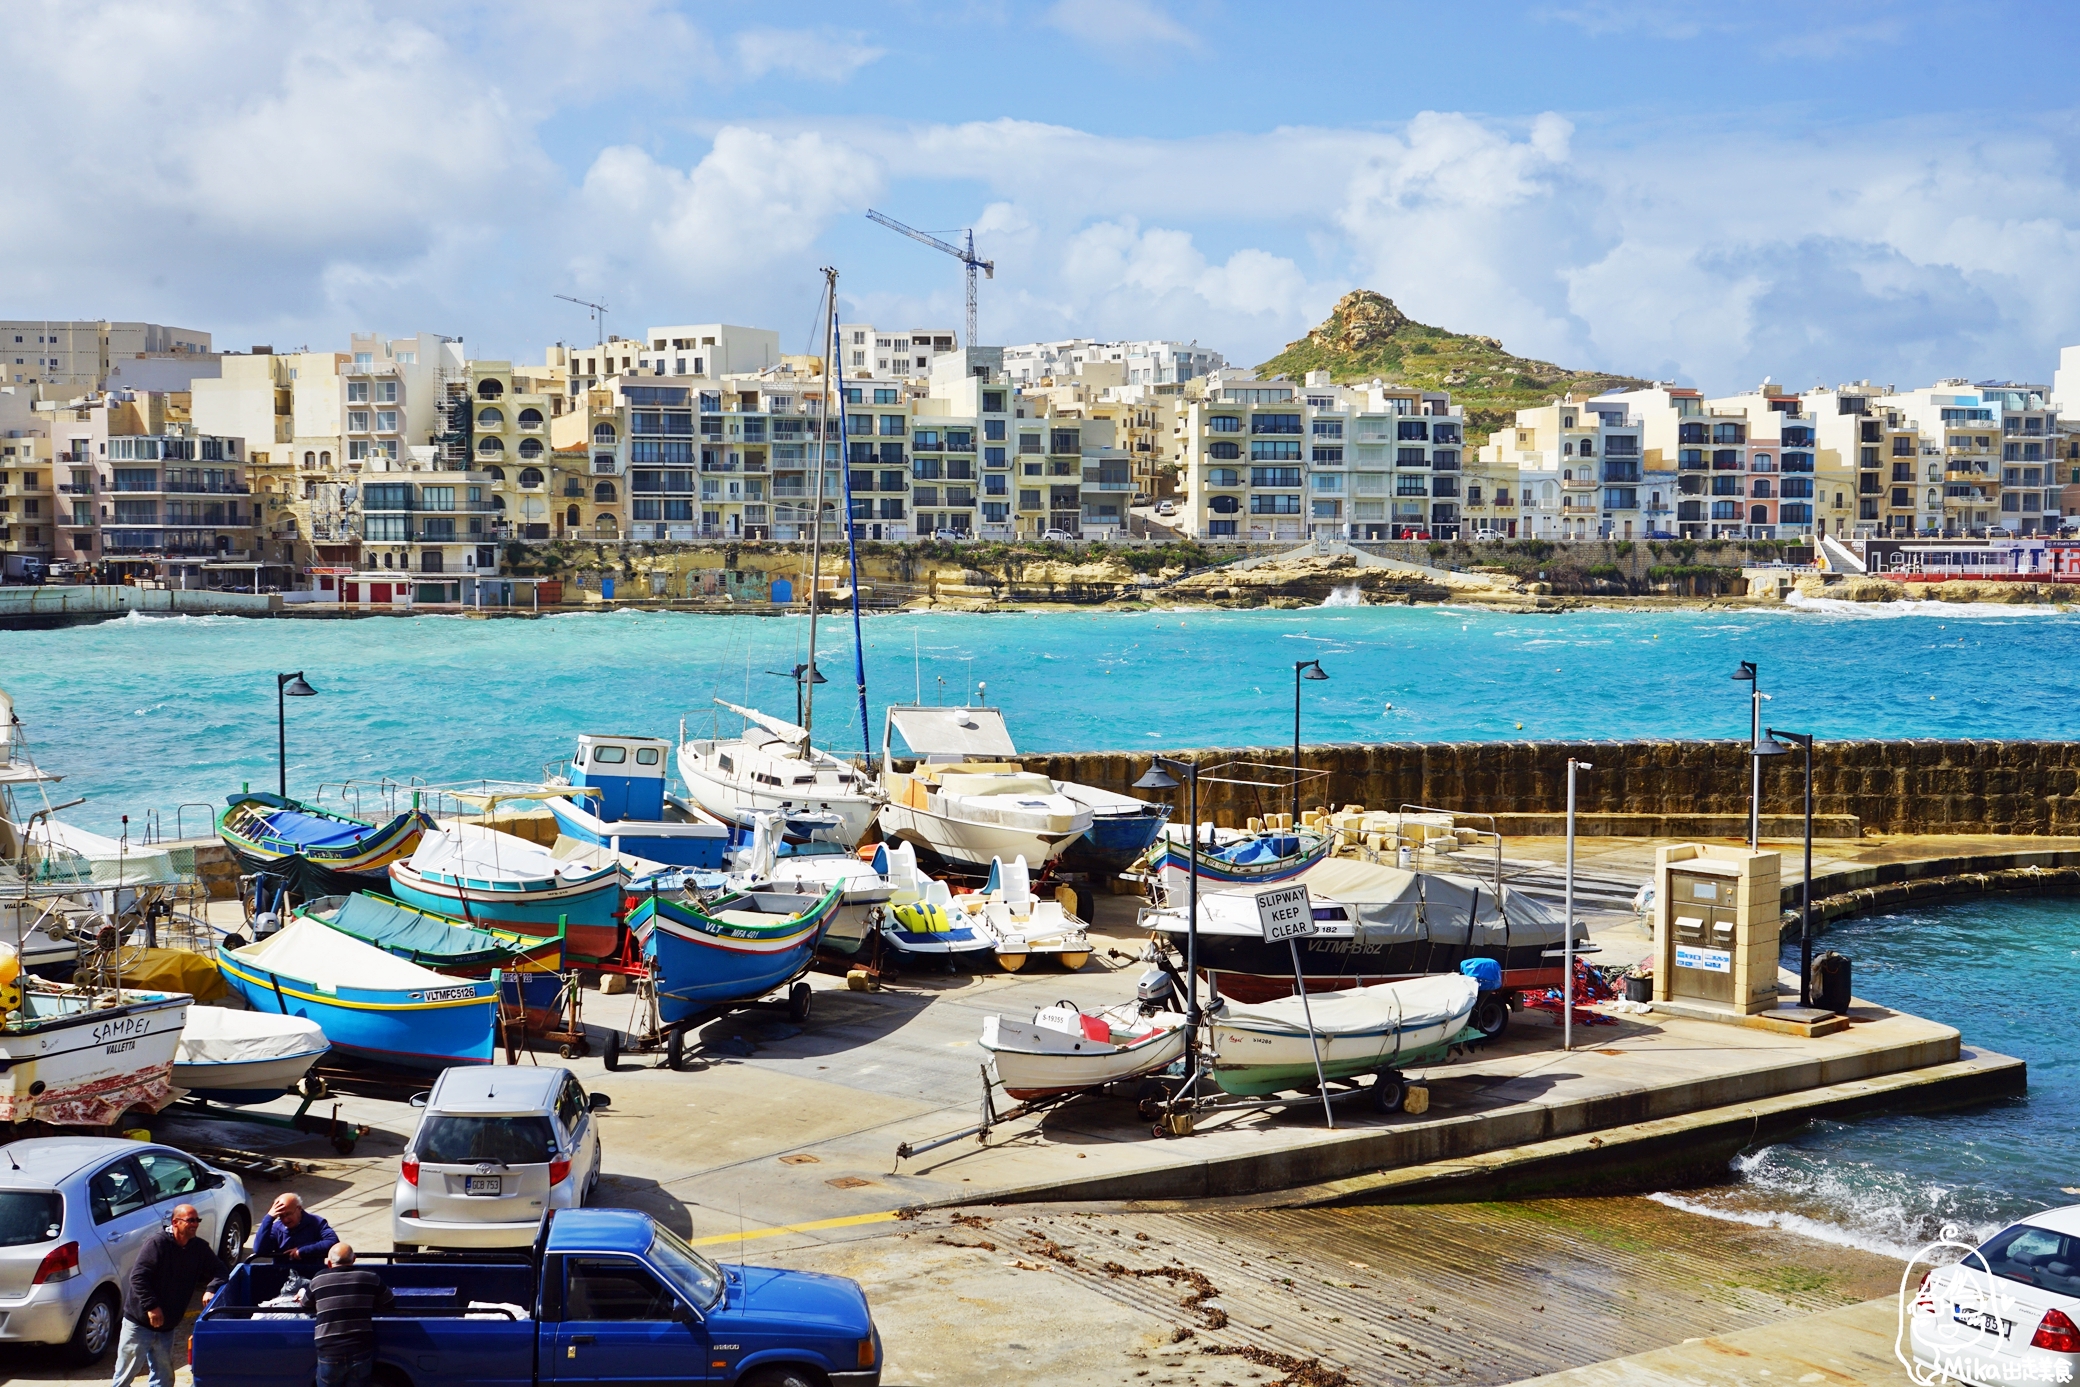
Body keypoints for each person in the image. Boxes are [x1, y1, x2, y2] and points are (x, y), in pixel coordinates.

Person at [113, 1204, 227, 1387]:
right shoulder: (157, 1244)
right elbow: (138, 1277)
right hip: (139, 1324)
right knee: (125, 1375)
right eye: (190, 1220)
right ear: (175, 1222)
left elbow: (220, 1270)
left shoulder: (198, 1248)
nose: (195, 1224)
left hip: (167, 1325)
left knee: (163, 1378)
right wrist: (151, 1306)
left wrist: (211, 1288)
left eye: (197, 1220)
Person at [304, 1242, 396, 1387]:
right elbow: (389, 1303)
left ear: (329, 1263)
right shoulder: (370, 1277)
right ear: (354, 1259)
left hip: (330, 1351)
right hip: (360, 1349)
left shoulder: (318, 1280)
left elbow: (305, 1304)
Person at [251, 1192, 338, 1268]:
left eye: (288, 1214)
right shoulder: (276, 1228)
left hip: (311, 1275)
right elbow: (259, 1249)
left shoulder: (316, 1222)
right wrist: (269, 1218)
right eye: (281, 1216)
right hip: (283, 1277)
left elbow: (333, 1241)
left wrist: (302, 1250)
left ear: (299, 1208)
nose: (285, 1220)